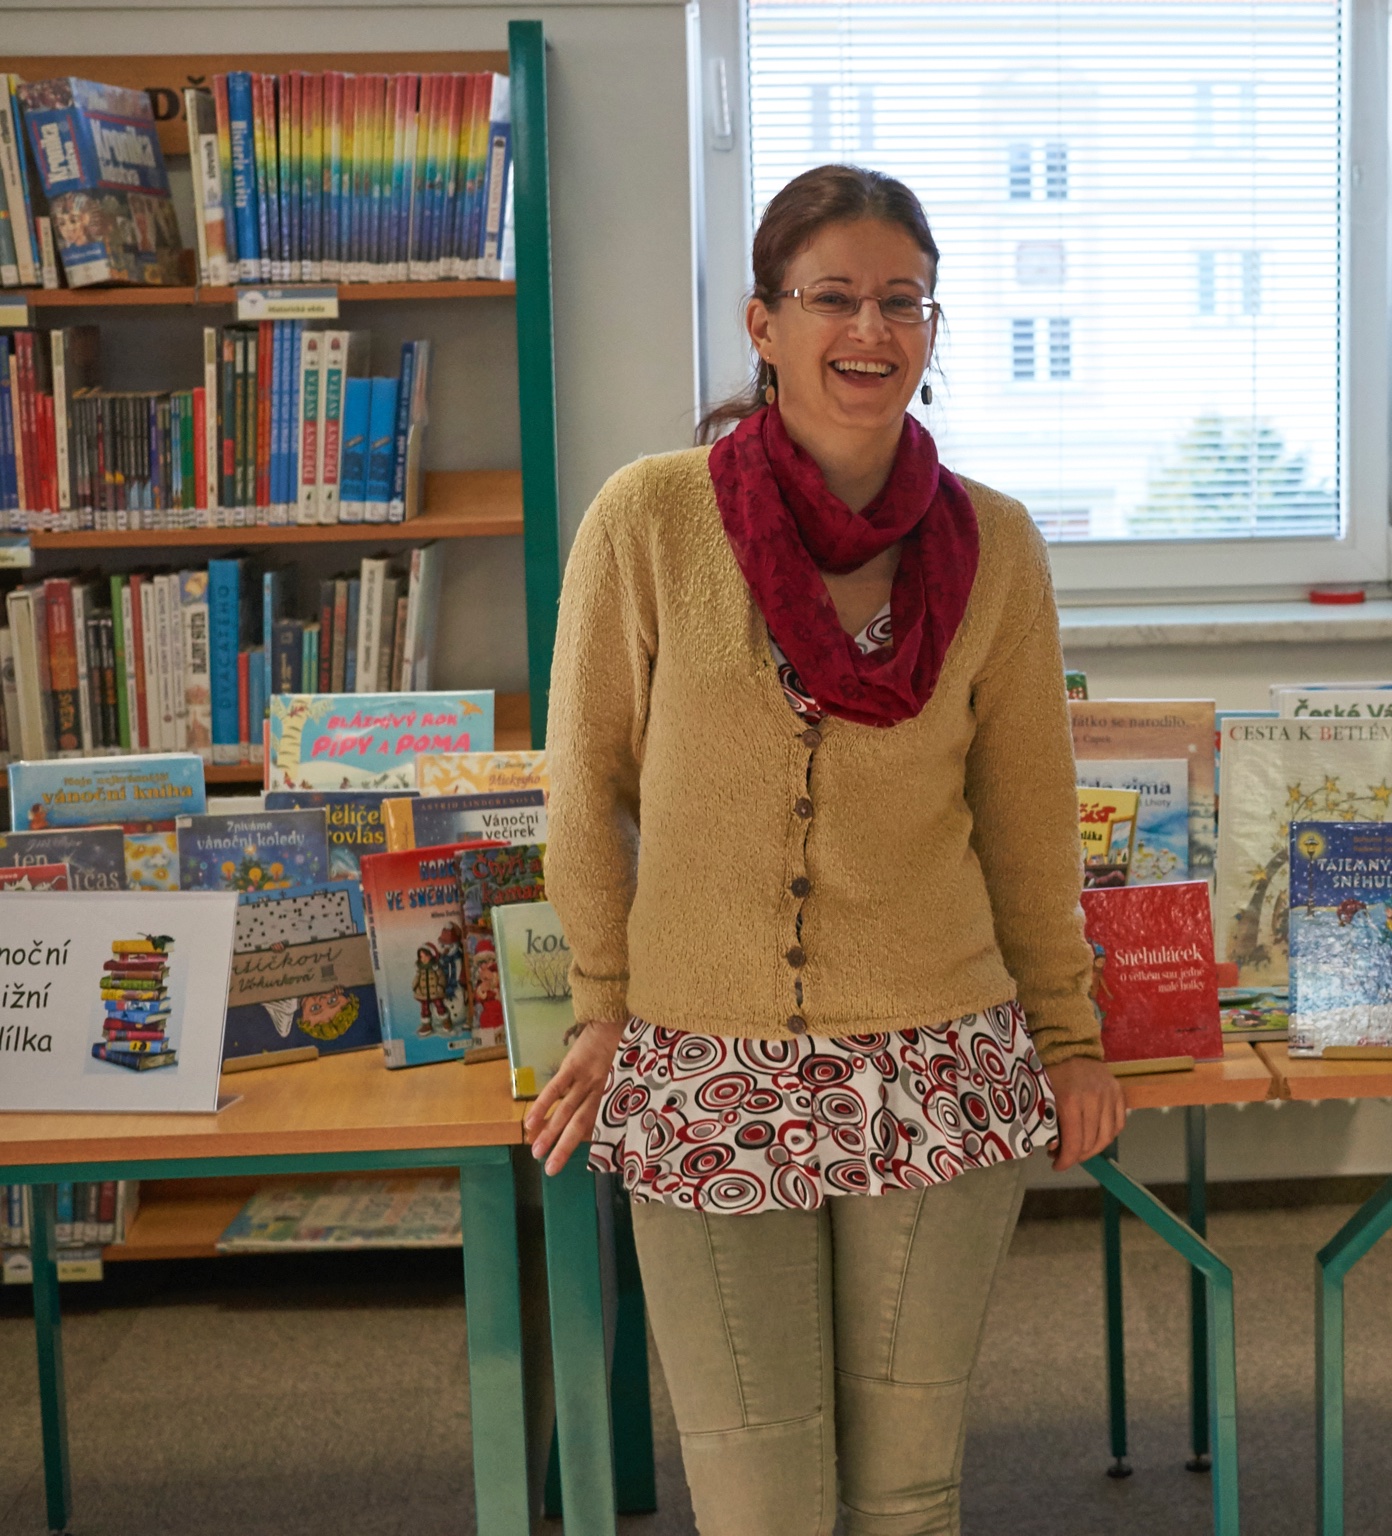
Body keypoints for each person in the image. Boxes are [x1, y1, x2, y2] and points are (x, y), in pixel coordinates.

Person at [525, 163, 1127, 1536]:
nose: (871, 330)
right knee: (761, 1498)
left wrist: (1068, 1034)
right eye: (833, 298)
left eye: (903, 302)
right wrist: (605, 1003)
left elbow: (1028, 819)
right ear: (764, 323)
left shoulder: (995, 545)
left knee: (907, 1491)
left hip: (939, 1059)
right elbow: (586, 785)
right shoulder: (653, 519)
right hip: (706, 1061)